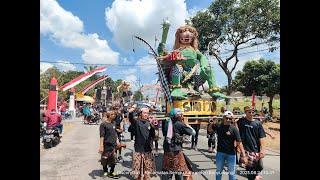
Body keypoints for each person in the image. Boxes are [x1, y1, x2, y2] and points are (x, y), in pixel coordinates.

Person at [162, 108, 195, 180]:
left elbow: (164, 133)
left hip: (167, 150)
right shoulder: (179, 124)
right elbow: (192, 132)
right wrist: (186, 123)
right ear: (178, 115)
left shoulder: (166, 122)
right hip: (176, 151)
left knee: (167, 170)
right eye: (180, 114)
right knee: (178, 171)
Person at [214, 111, 247, 180]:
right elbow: (210, 130)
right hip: (220, 152)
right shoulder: (218, 126)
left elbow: (239, 142)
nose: (228, 120)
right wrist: (211, 123)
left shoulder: (234, 128)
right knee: (218, 171)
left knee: (232, 173)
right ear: (223, 118)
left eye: (230, 118)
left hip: (231, 154)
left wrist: (244, 155)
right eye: (227, 118)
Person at [235, 106, 266, 180]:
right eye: (249, 112)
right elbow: (235, 130)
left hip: (255, 149)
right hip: (246, 150)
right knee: (249, 169)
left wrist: (262, 149)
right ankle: (253, 177)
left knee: (260, 166)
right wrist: (237, 146)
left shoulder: (257, 123)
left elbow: (261, 137)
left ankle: (255, 175)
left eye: (253, 112)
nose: (251, 113)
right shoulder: (241, 121)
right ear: (246, 113)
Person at [128, 106, 156, 180]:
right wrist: (131, 112)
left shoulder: (149, 123)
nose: (146, 114)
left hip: (147, 149)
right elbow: (131, 119)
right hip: (138, 148)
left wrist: (153, 126)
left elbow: (153, 136)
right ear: (141, 114)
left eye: (147, 113)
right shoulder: (137, 122)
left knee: (147, 170)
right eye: (144, 113)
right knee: (138, 170)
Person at [99, 111, 120, 178]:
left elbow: (115, 133)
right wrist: (101, 146)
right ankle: (105, 171)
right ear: (108, 115)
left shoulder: (114, 123)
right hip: (106, 144)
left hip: (113, 145)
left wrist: (117, 141)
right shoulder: (103, 124)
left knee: (113, 159)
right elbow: (102, 136)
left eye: (114, 114)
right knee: (105, 159)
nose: (114, 115)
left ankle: (112, 172)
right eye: (112, 114)